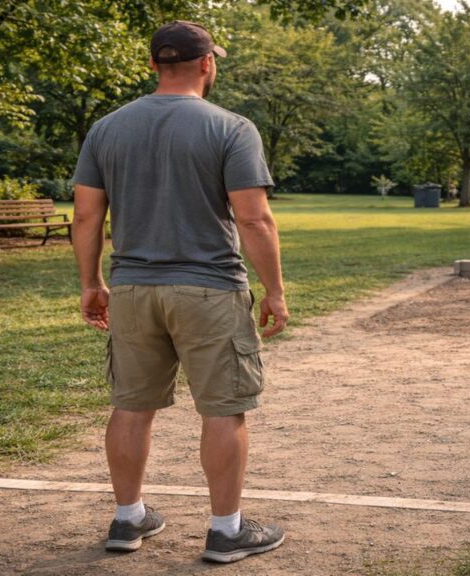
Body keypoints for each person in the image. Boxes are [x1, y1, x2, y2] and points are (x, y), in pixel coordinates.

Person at [71, 20, 288, 564]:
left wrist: (91, 283)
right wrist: (274, 291)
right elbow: (254, 219)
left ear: (153, 66)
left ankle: (127, 519)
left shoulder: (107, 128)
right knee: (223, 409)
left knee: (130, 405)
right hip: (209, 290)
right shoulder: (233, 128)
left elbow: (85, 217)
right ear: (207, 64)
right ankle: (225, 530)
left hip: (134, 289)